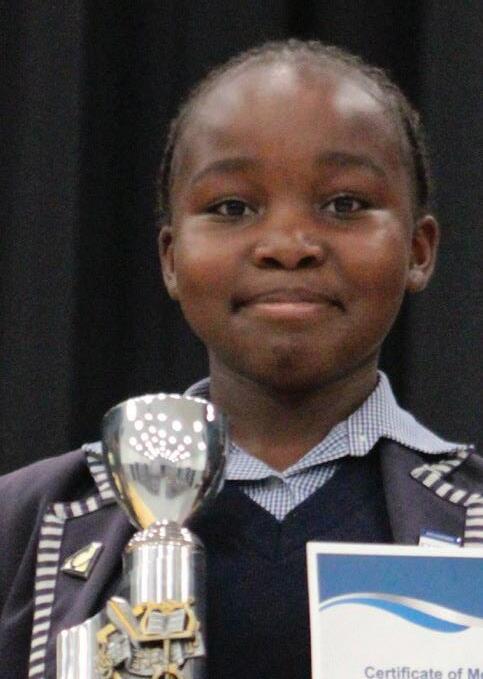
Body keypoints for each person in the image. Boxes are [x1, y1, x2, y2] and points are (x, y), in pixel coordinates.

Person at [1, 39, 481, 679]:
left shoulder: (471, 515)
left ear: (418, 251)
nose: (287, 245)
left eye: (344, 204)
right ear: (171, 258)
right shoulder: (24, 524)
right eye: (232, 208)